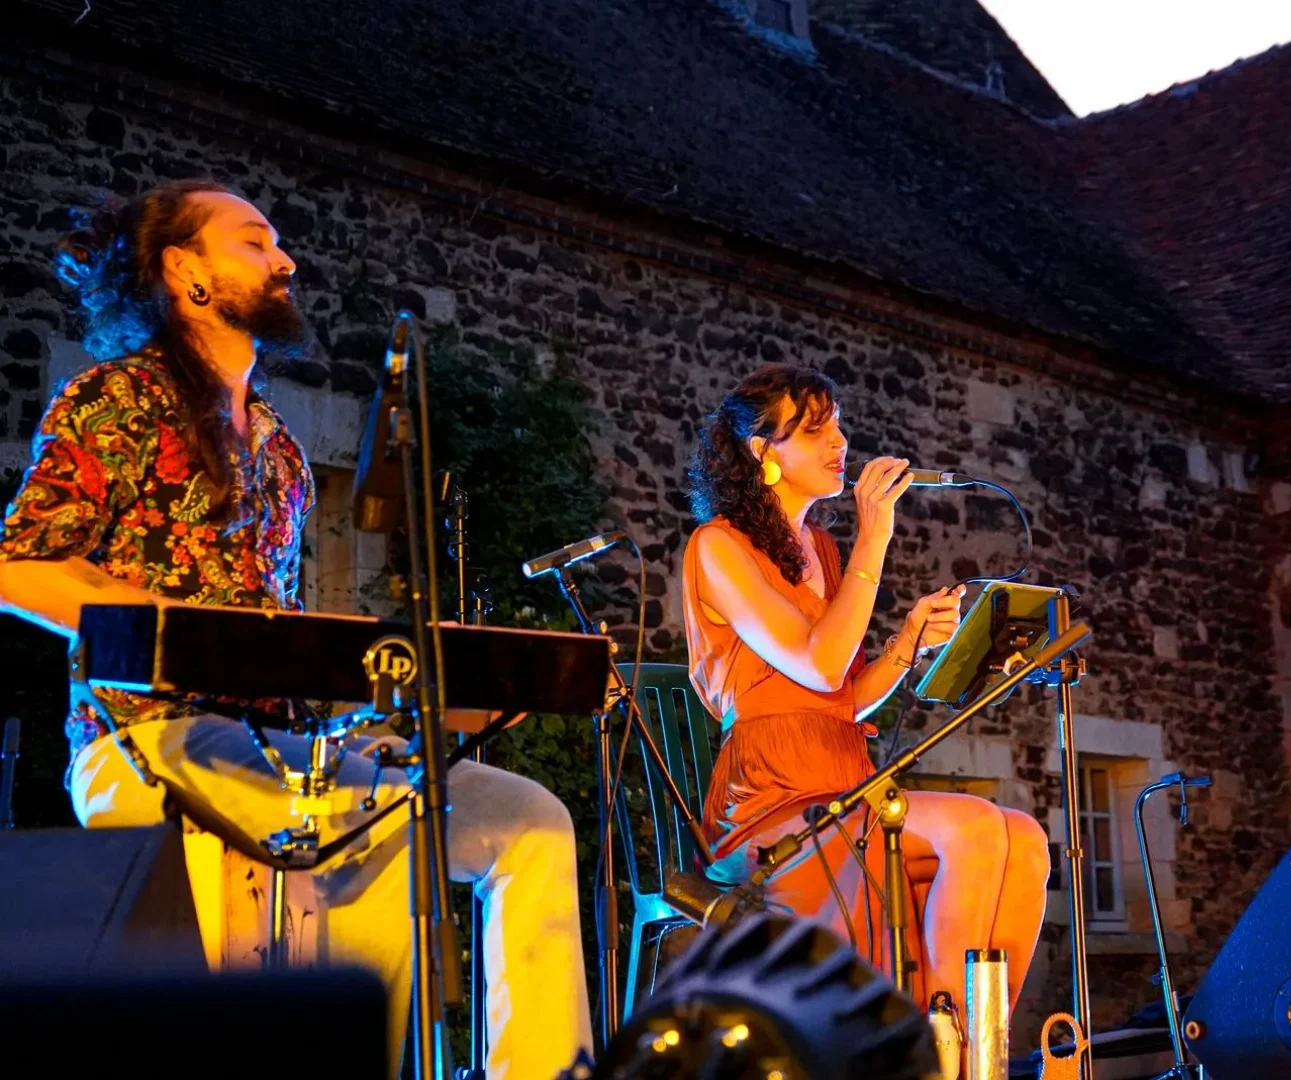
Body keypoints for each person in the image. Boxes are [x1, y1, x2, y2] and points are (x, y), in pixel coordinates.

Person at [0, 179, 590, 1079]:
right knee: (374, 819)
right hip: (148, 739)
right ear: (185, 271)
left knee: (528, 819)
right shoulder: (112, 400)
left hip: (281, 746)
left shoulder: (276, 444)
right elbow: (16, 563)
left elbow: (286, 630)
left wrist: (382, 702)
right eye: (254, 243)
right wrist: (157, 625)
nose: (286, 261)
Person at [683, 363, 1050, 1023]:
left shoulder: (820, 549)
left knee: (1023, 838)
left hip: (844, 783)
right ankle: (937, 1056)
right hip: (771, 805)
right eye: (818, 428)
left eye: (839, 425)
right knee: (970, 829)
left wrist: (907, 642)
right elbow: (819, 668)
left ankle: (974, 1051)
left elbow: (842, 699)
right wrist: (876, 533)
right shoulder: (719, 547)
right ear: (764, 453)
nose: (841, 443)